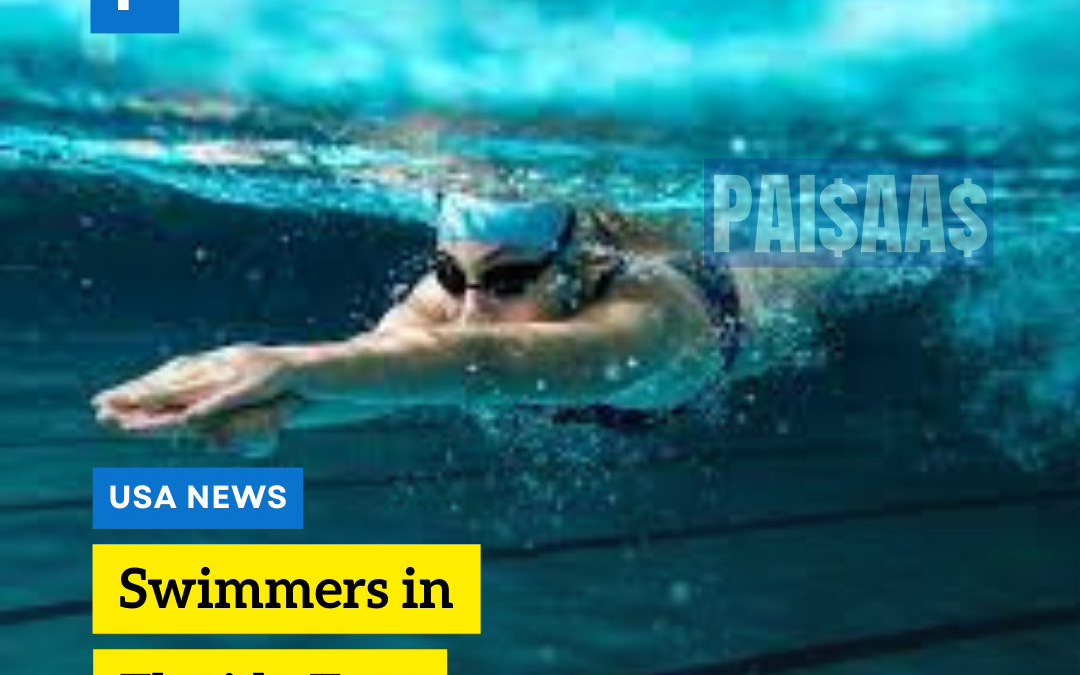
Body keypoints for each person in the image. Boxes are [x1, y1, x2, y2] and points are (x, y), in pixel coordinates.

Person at [92, 191, 759, 455]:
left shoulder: (650, 310)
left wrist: (283, 365)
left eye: (507, 280)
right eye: (450, 274)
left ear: (575, 268)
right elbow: (376, 365)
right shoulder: (455, 298)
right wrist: (274, 409)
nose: (468, 310)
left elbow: (484, 366)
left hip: (750, 285)